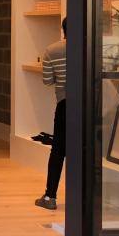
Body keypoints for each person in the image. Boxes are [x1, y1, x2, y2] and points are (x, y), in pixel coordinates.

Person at [36, 18, 67, 210]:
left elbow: (47, 80)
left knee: (58, 151)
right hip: (89, 104)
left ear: (63, 29)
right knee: (87, 149)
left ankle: (50, 196)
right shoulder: (91, 47)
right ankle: (89, 198)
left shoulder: (52, 50)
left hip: (66, 103)